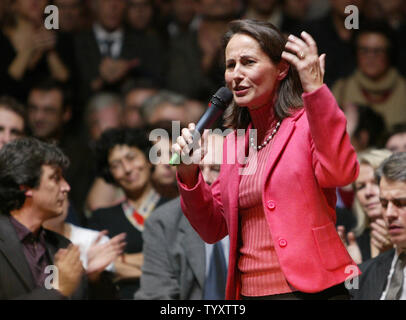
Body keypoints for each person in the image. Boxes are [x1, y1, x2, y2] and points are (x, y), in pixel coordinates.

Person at [172, 19, 359, 300]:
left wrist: (316, 92)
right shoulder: (235, 143)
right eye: (230, 65)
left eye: (248, 62)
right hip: (250, 292)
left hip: (314, 290)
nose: (236, 74)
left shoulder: (308, 124)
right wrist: (189, 174)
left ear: (281, 69)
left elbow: (342, 173)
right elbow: (212, 229)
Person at [0, 138, 105, 299]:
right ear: (26, 187)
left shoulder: (61, 245)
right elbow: (60, 289)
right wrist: (57, 291)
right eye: (55, 178)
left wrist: (94, 279)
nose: (66, 187)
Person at [136, 133, 229, 300]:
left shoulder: (250, 214)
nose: (206, 178)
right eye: (197, 170)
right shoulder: (163, 222)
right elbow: (156, 294)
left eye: (216, 169)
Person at [88, 127, 168, 299]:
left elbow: (182, 264)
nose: (127, 169)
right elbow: (97, 269)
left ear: (148, 159)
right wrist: (163, 269)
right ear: (110, 174)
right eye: (116, 165)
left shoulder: (178, 209)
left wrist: (121, 261)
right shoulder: (101, 218)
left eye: (131, 158)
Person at [351, 152, 406, 300]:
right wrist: (350, 268)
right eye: (384, 204)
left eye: (400, 203)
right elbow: (351, 289)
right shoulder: (354, 239)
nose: (389, 213)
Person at [332, 21, 406, 130]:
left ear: (390, 53)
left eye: (378, 51)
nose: (371, 57)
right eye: (364, 50)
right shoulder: (342, 89)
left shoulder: (403, 89)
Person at [0, 0, 71, 102]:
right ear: (13, 3)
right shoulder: (2, 39)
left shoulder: (61, 38)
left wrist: (50, 51)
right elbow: (6, 88)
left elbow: (67, 86)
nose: (35, 1)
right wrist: (29, 48)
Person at [338, 149, 393, 264]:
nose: (368, 192)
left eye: (376, 182)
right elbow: (358, 282)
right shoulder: (355, 240)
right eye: (361, 187)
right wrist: (352, 267)